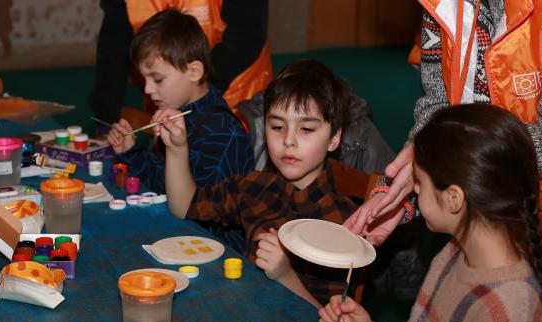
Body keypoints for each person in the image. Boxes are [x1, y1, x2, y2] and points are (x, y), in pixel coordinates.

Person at [320, 104, 542, 322]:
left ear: (453, 199)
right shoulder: (454, 253)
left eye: (419, 182)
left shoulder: (510, 314)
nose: (415, 191)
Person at [155, 59, 398, 308]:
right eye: (278, 126)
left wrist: (285, 275)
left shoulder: (342, 223)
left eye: (306, 129)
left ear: (334, 139)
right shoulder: (255, 187)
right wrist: (177, 149)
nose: (288, 140)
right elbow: (185, 206)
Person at [345, 0, 542, 246]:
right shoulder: (438, 4)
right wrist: (407, 186)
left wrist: (439, 163)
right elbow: (438, 104)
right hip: (473, 203)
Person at [106, 8, 254, 251]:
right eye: (144, 79)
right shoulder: (180, 114)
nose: (147, 90)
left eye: (157, 79)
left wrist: (173, 153)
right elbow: (164, 181)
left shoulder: (222, 133)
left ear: (194, 72)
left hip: (216, 254)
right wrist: (131, 153)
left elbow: (196, 213)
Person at [90, 0, 271, 126]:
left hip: (236, 97)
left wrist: (196, 95)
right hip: (170, 98)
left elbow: (246, 36)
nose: (147, 89)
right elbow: (114, 44)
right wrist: (106, 116)